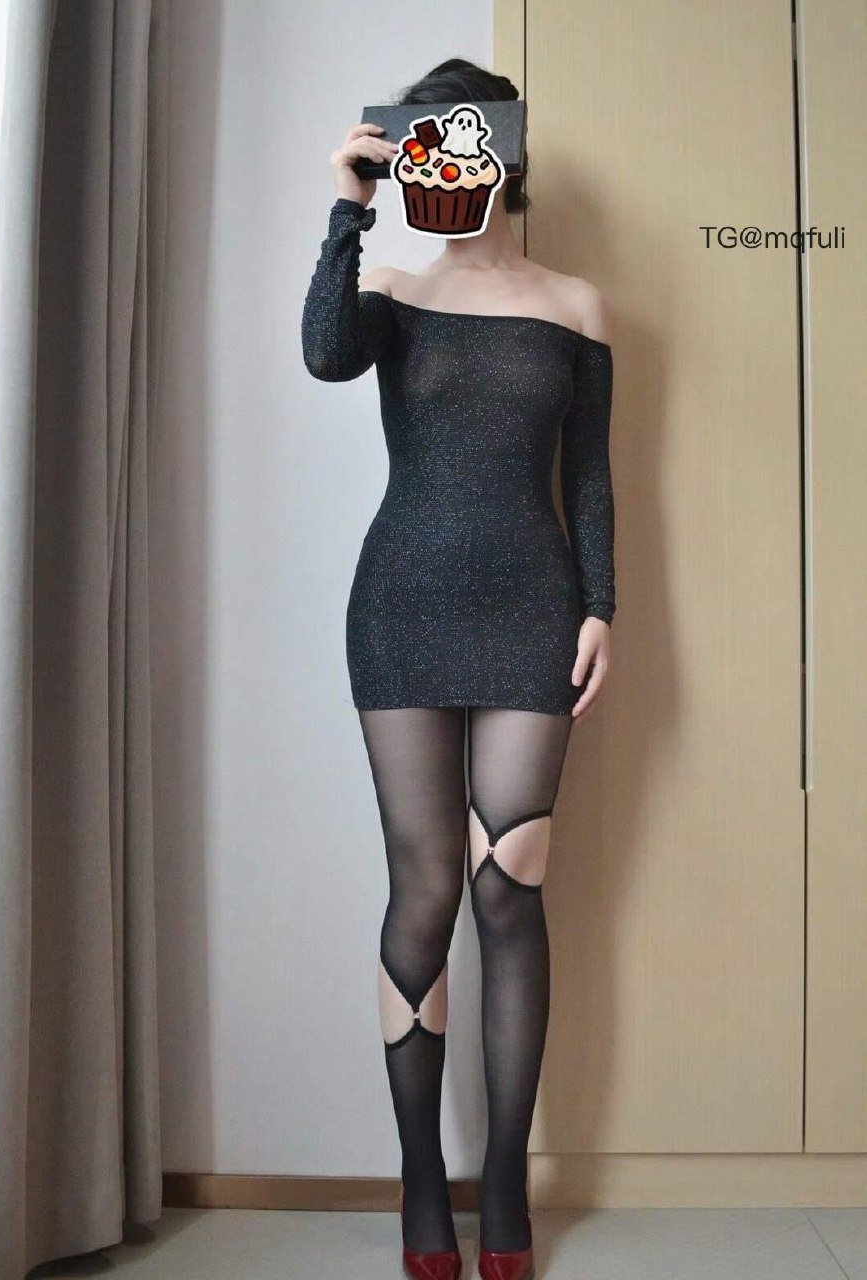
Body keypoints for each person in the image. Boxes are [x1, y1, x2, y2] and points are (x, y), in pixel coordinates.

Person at [301, 57, 616, 1280]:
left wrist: (602, 606)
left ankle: (504, 1176)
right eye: (422, 141)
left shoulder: (575, 304)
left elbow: (588, 476)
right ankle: (422, 1176)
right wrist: (347, 206)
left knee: (508, 886)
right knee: (427, 889)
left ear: (505, 155)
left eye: (465, 139)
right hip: (401, 604)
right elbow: (325, 355)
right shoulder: (385, 287)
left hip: (533, 607)